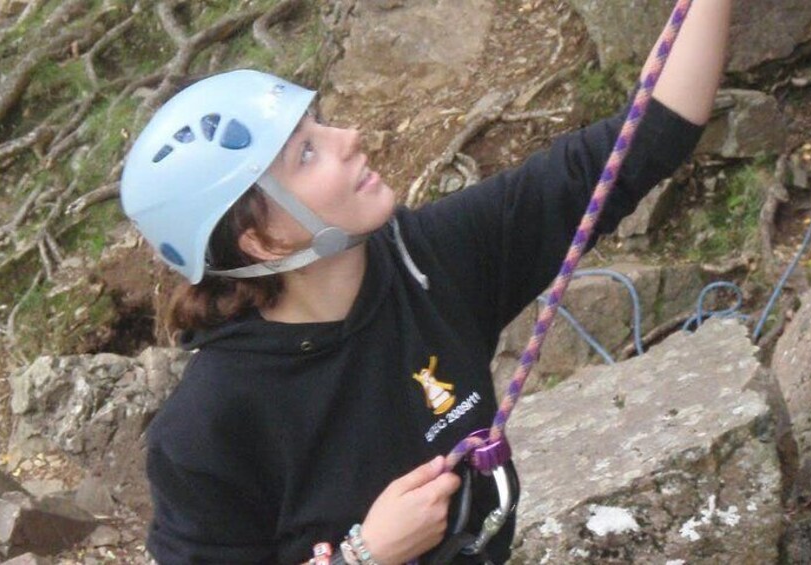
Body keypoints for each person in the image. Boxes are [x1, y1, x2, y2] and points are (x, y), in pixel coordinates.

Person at [120, 2, 731, 563]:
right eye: (306, 154)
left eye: (320, 126)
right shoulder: (209, 426)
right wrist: (367, 555)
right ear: (264, 240)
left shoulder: (429, 259)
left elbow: (642, 139)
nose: (349, 139)